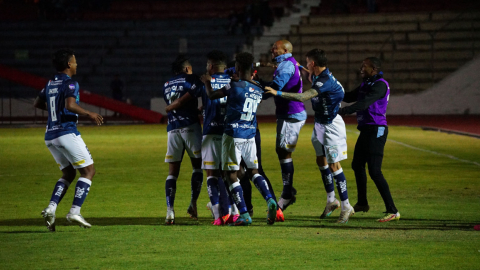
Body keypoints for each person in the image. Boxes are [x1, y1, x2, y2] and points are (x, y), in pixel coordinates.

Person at [265, 49, 355, 223]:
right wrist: (287, 63)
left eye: (308, 63)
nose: (305, 66)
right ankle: (331, 200)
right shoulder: (316, 74)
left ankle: (346, 206)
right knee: (321, 160)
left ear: (313, 64)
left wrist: (278, 93)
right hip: (320, 124)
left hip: (331, 126)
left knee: (334, 165)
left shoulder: (324, 81)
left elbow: (303, 97)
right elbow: (302, 68)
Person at [201, 52, 278, 226]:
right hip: (250, 134)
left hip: (232, 135)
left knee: (230, 175)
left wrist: (207, 81)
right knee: (253, 171)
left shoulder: (233, 86)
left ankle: (244, 213)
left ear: (237, 68)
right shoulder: (258, 87)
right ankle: (269, 200)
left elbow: (212, 95)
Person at [34, 48, 103, 231]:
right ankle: (74, 211)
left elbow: (38, 103)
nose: (77, 64)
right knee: (89, 171)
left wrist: (54, 110)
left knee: (69, 174)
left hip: (50, 135)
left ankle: (51, 208)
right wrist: (89, 113)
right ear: (69, 65)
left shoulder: (49, 84)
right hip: (66, 133)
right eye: (75, 61)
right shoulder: (70, 83)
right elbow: (70, 105)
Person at [166, 50, 235, 226]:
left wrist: (170, 108)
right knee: (226, 173)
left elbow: (188, 99)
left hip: (187, 130)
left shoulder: (172, 83)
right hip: (221, 131)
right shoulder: (229, 81)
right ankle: (231, 210)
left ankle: (173, 211)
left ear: (211, 66)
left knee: (197, 173)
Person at [338, 57, 400, 222]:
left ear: (374, 68)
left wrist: (344, 111)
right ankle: (363, 203)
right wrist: (332, 89)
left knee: (374, 170)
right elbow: (349, 96)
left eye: (364, 66)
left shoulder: (380, 84)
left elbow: (365, 103)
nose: (361, 68)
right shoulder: (367, 83)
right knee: (357, 165)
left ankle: (393, 210)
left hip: (377, 129)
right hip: (366, 130)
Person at [263, 39, 306, 211]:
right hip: (287, 113)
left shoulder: (287, 66)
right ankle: (288, 189)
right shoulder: (287, 64)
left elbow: (275, 87)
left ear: (285, 50)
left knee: (284, 151)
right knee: (281, 150)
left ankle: (287, 193)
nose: (272, 49)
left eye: (275, 48)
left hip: (291, 114)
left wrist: (252, 89)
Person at [162, 55, 204, 225]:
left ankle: (169, 211)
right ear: (187, 69)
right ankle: (193, 203)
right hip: (190, 127)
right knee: (197, 166)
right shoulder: (191, 78)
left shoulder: (166, 85)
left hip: (172, 129)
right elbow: (199, 91)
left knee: (172, 172)